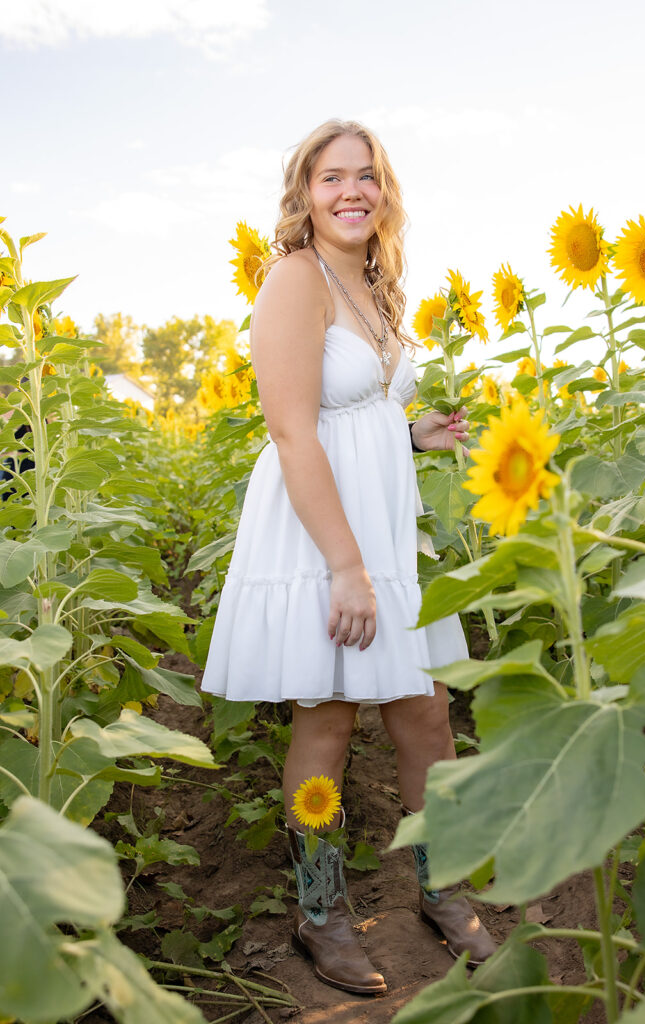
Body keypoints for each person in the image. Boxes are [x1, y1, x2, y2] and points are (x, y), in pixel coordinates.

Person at [201, 119, 496, 996]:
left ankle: (442, 891)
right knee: (326, 720)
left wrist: (415, 434)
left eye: (366, 176)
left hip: (385, 525)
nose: (351, 192)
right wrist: (344, 565)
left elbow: (357, 416)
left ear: (384, 190)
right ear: (304, 194)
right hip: (322, 531)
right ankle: (321, 914)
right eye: (332, 178)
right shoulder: (292, 280)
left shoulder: (376, 282)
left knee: (426, 717)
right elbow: (294, 432)